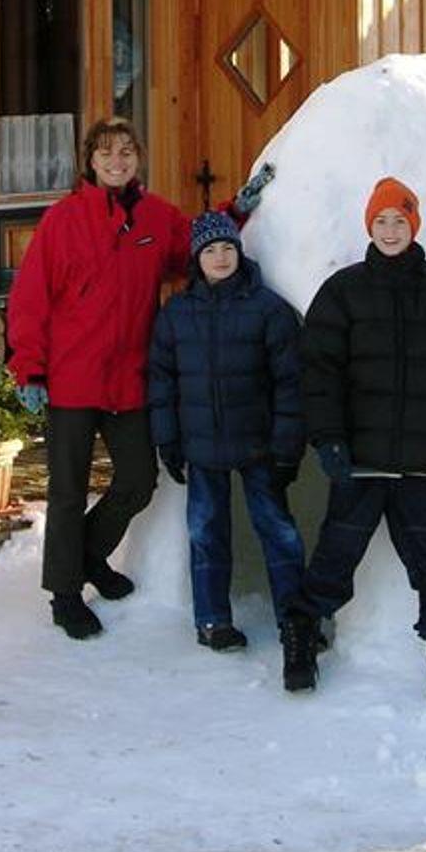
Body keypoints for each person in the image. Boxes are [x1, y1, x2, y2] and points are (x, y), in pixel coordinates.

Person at [278, 178, 426, 700]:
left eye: (400, 220)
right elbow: (319, 372)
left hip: (421, 462)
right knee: (336, 557)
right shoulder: (343, 291)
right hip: (361, 460)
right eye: (381, 221)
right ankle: (300, 634)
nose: (390, 230)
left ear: (414, 225)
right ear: (369, 226)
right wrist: (329, 438)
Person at [8, 116, 191, 640]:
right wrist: (30, 368)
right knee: (67, 491)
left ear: (138, 158)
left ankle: (87, 556)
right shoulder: (63, 219)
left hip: (129, 376)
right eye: (106, 152)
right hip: (70, 377)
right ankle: (65, 595)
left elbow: (200, 246)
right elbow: (30, 297)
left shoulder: (157, 217)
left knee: (138, 480)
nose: (117, 161)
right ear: (90, 160)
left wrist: (239, 212)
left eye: (127, 151)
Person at [147, 208, 306, 653]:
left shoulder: (267, 309)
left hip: (258, 444)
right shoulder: (178, 314)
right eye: (210, 251)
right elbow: (161, 381)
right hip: (201, 446)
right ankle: (212, 619)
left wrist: (287, 448)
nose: (220, 258)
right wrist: (168, 440)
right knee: (205, 532)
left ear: (239, 251)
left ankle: (295, 617)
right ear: (196, 259)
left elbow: (291, 382)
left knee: (278, 531)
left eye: (227, 248)